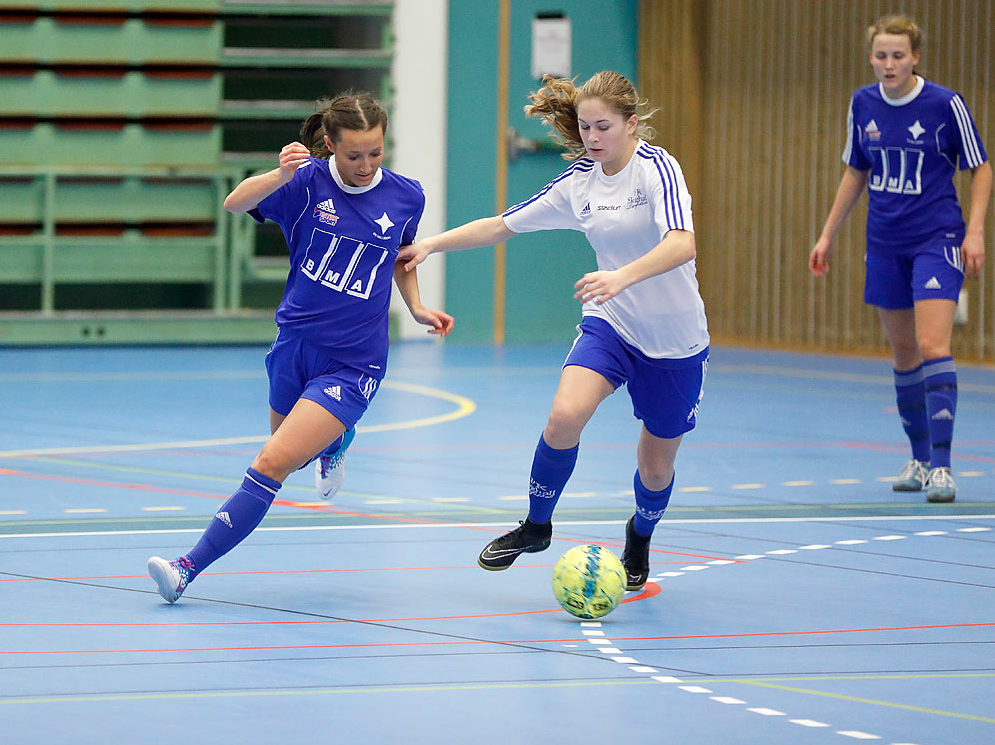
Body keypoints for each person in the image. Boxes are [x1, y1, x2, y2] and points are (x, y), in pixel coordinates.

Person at [400, 71, 708, 592]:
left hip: (675, 340)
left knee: (656, 469)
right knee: (564, 417)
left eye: (604, 126)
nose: (592, 137)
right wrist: (431, 244)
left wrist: (620, 276)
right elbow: (502, 224)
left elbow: (683, 244)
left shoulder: (658, 169)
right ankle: (536, 525)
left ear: (632, 125)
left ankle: (640, 533)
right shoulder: (580, 182)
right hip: (612, 324)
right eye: (585, 127)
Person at [146, 93, 453, 603]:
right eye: (353, 155)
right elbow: (235, 202)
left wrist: (416, 306)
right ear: (329, 145)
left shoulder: (406, 196)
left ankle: (185, 568)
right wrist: (278, 176)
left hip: (355, 363)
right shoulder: (306, 183)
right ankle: (334, 442)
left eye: (375, 153)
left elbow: (402, 257)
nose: (365, 165)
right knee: (285, 453)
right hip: (294, 346)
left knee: (270, 462)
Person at [809, 14, 992, 503]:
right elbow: (855, 172)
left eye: (898, 55)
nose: (888, 64)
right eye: (881, 55)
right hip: (884, 243)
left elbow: (981, 168)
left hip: (937, 238)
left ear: (915, 58)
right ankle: (919, 457)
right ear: (871, 58)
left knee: (934, 344)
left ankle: (945, 467)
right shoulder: (863, 103)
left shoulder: (944, 104)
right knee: (904, 352)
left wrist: (974, 234)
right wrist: (827, 234)